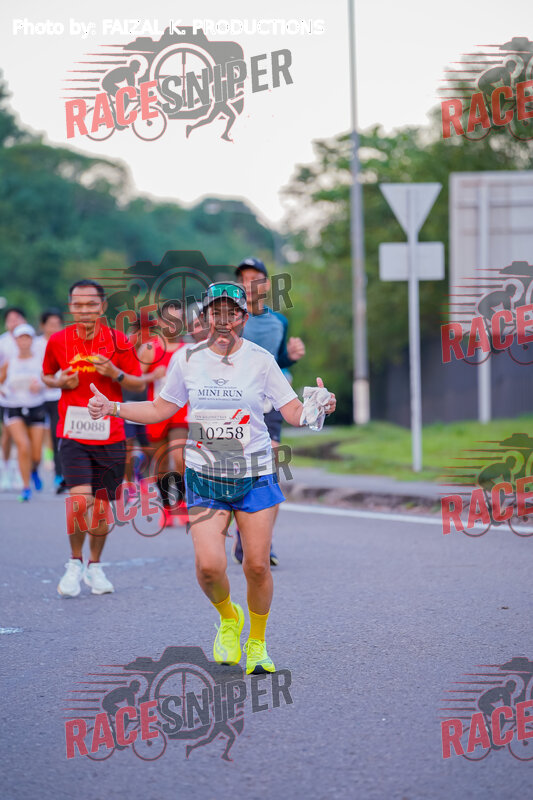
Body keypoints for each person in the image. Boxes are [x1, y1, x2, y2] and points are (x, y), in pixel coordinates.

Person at [88, 282, 336, 674]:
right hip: (205, 475)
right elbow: (160, 408)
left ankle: (257, 643)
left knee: (257, 566)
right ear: (204, 318)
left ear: (243, 318)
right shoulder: (186, 359)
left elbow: (291, 411)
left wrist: (317, 407)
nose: (223, 321)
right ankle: (228, 617)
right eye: (215, 313)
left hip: (255, 474)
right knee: (209, 567)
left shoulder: (261, 360)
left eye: (231, 313)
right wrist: (113, 407)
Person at [42, 279, 144, 598]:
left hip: (110, 433)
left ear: (103, 306)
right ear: (70, 306)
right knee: (79, 501)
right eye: (77, 304)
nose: (84, 310)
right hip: (73, 432)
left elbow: (139, 383)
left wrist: (115, 373)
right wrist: (59, 381)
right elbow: (46, 375)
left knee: (101, 508)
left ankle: (95, 566)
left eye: (90, 304)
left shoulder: (119, 341)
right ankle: (74, 562)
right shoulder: (58, 340)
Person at [232, 257, 306, 566]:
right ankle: (243, 533)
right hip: (236, 403)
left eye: (255, 278)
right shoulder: (232, 319)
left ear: (266, 284)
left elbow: (276, 361)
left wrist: (291, 357)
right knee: (239, 472)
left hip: (269, 401)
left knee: (271, 468)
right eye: (243, 279)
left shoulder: (279, 322)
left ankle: (262, 541)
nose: (248, 284)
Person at [0, 323, 47, 501]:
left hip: (36, 406)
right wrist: (3, 390)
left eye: (28, 338)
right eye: (21, 338)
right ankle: (26, 487)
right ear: (16, 341)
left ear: (32, 340)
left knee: (36, 453)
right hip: (14, 407)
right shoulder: (10, 361)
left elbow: (49, 380)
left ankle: (34, 470)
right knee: (23, 445)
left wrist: (40, 386)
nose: (24, 342)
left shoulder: (40, 360)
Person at [35, 309, 64, 491]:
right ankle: (33, 470)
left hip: (57, 395)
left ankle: (59, 475)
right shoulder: (35, 344)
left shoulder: (65, 343)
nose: (54, 328)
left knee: (57, 434)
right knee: (35, 439)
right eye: (51, 324)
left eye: (57, 324)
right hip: (36, 397)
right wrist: (41, 381)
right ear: (43, 325)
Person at [0, 307, 27, 489]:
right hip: (7, 397)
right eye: (10, 320)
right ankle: (6, 469)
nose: (14, 323)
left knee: (23, 439)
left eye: (17, 319)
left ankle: (20, 471)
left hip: (29, 398)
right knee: (8, 435)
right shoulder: (2, 343)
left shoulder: (31, 341)